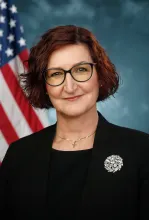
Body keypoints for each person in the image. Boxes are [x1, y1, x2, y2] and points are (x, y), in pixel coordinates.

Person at [0, 25, 149, 220]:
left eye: (80, 70)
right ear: (44, 86)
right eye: (56, 74)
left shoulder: (141, 150)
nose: (69, 87)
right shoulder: (19, 155)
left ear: (99, 75)